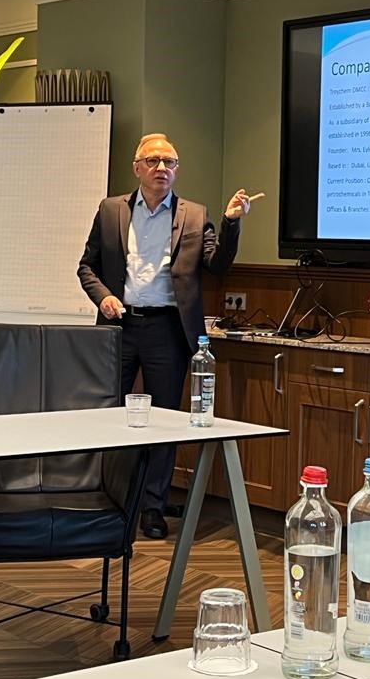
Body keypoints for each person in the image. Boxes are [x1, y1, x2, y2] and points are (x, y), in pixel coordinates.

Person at [78, 132, 254, 539]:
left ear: (177, 170)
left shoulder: (194, 214)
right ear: (137, 168)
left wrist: (231, 223)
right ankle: (107, 499)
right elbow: (86, 266)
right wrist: (104, 297)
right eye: (154, 161)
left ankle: (153, 508)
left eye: (170, 162)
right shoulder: (111, 210)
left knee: (163, 421)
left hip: (168, 330)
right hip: (119, 327)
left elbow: (217, 265)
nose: (162, 168)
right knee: (109, 413)